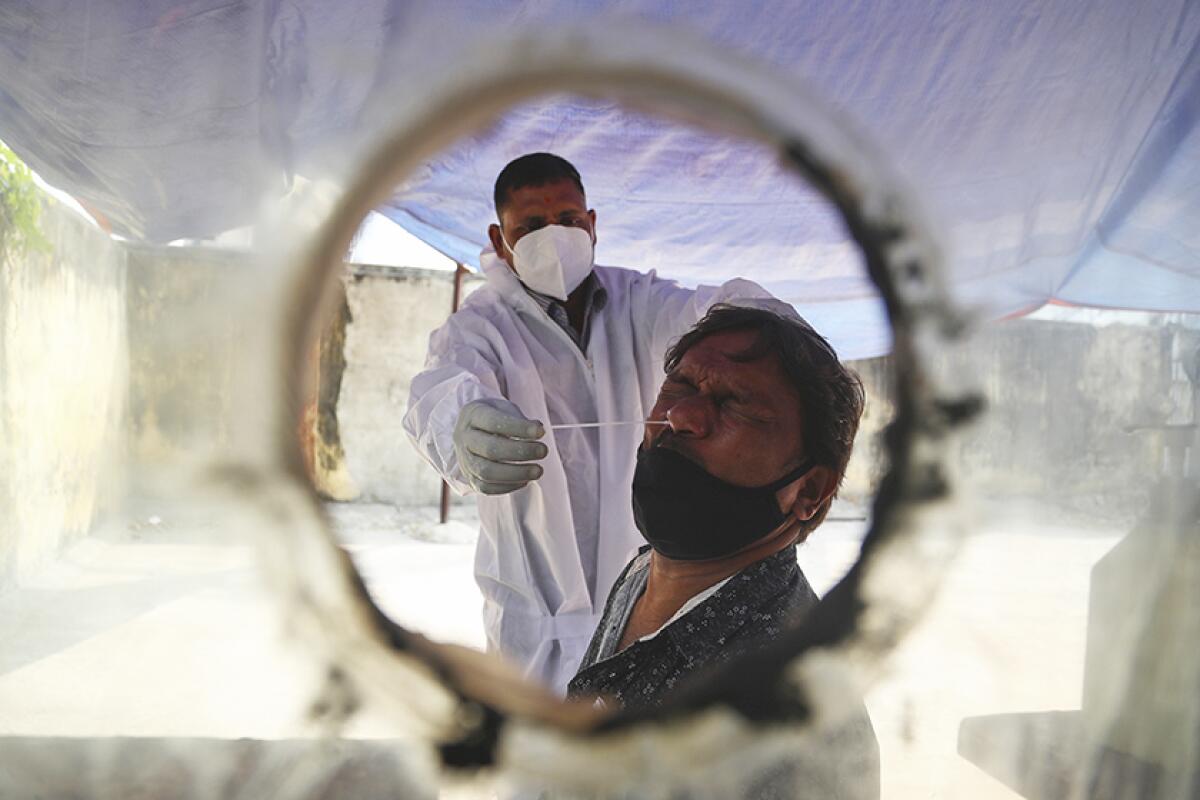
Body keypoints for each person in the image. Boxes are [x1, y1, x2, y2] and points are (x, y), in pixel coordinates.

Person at [403, 153, 773, 692]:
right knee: (539, 766)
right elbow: (438, 391)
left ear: (593, 224)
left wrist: (772, 331)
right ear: (498, 235)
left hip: (645, 603)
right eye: (530, 226)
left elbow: (717, 316)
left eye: (570, 221)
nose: (553, 237)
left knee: (633, 760)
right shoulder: (479, 328)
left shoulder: (640, 304)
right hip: (534, 625)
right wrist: (460, 425)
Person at [568, 304, 879, 799]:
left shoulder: (790, 713)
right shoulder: (644, 572)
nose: (681, 416)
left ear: (809, 491)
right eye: (679, 388)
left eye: (736, 404)